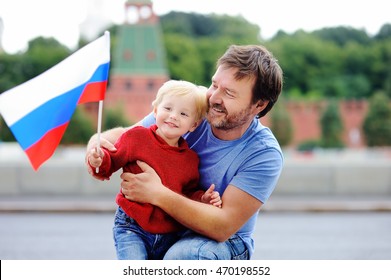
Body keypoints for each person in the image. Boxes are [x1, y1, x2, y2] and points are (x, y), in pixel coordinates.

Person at [86, 44, 284, 260]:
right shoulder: (191, 108)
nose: (214, 98)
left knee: (183, 256)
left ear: (259, 105)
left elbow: (223, 226)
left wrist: (157, 193)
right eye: (214, 84)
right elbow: (125, 136)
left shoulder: (264, 154)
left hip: (226, 241)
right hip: (167, 225)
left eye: (228, 93)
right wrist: (95, 146)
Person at [87, 80, 222, 260]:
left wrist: (203, 199)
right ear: (156, 111)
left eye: (183, 113)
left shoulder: (190, 159)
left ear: (193, 125)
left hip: (170, 233)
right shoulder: (136, 137)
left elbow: (187, 194)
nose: (173, 116)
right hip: (132, 227)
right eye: (168, 109)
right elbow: (111, 162)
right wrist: (99, 159)